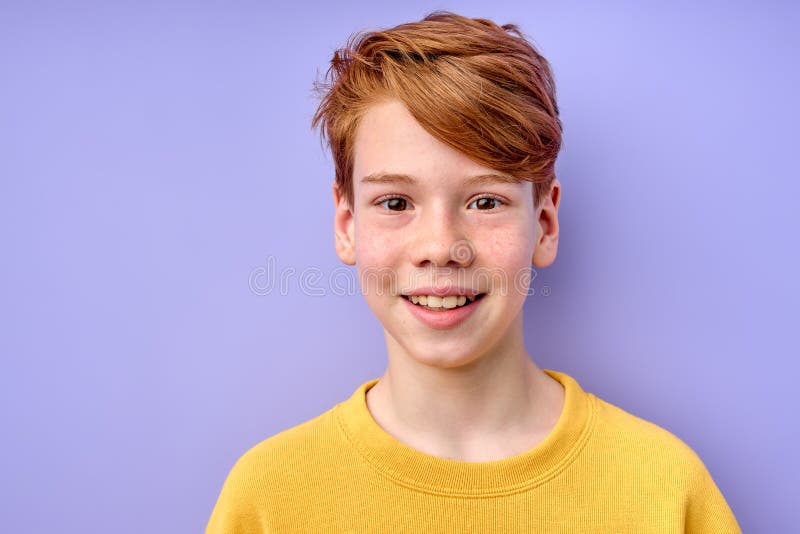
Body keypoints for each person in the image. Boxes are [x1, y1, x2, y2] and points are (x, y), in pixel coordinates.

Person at [205, 10, 741, 533]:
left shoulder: (665, 489)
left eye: (485, 202)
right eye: (394, 203)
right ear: (347, 224)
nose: (440, 247)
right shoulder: (268, 498)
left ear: (546, 224)